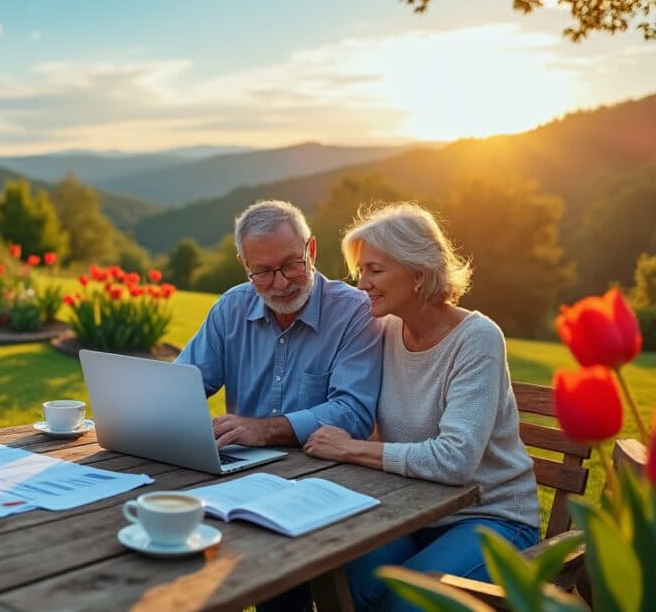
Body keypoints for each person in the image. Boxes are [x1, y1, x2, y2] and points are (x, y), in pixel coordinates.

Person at [302, 202, 540, 612]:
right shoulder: (385, 328)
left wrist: (349, 448)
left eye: (375, 270)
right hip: (412, 513)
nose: (363, 285)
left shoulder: (477, 339)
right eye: (361, 271)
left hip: (492, 517)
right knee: (332, 570)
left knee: (400, 601)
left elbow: (455, 461)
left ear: (419, 273)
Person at [177, 199, 384, 449]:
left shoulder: (355, 311)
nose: (282, 283)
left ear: (312, 251)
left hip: (322, 470)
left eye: (291, 264)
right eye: (263, 271)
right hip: (244, 466)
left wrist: (265, 430)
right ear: (244, 266)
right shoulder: (230, 308)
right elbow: (182, 386)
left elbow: (353, 414)